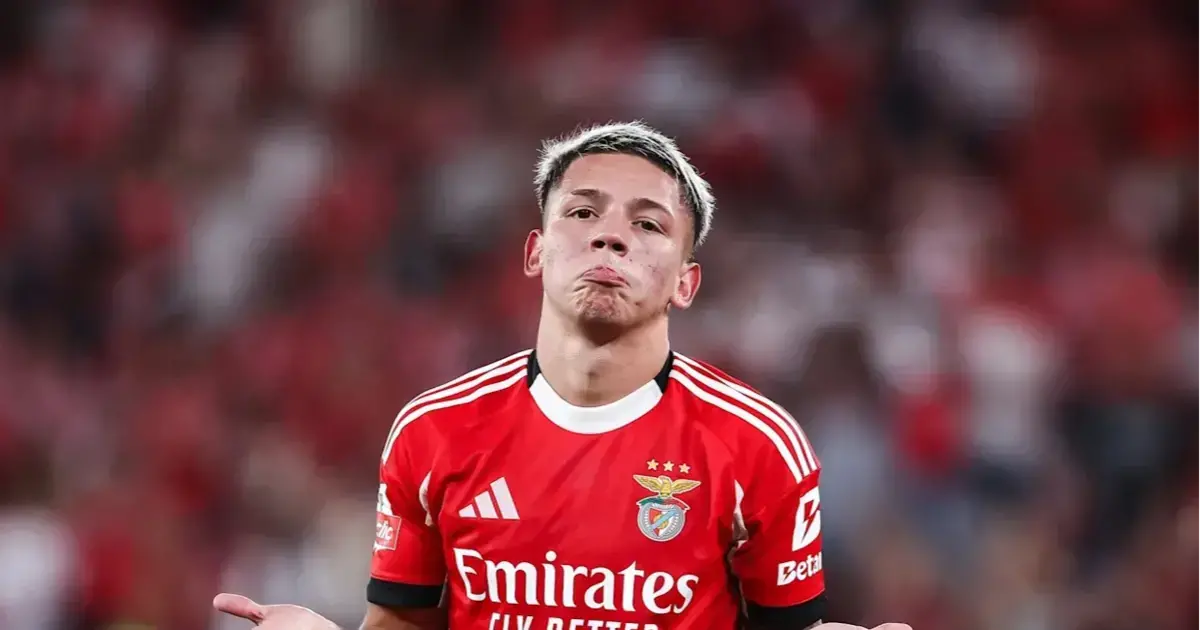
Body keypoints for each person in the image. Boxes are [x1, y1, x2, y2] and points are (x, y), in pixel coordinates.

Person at [215, 122, 910, 630]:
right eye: (583, 213)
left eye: (649, 225)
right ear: (536, 252)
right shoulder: (432, 432)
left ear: (686, 283)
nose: (610, 236)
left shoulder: (759, 446)